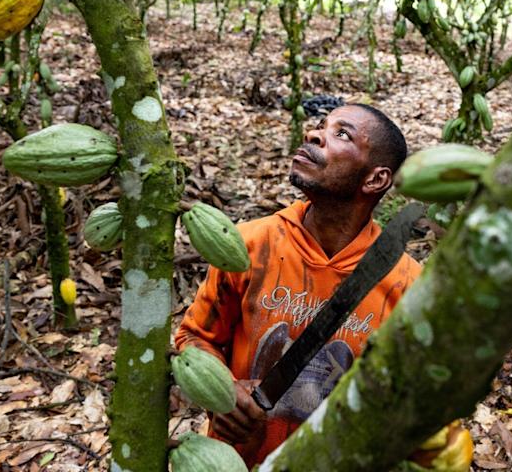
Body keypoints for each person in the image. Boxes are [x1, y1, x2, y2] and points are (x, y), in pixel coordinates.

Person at [175, 103, 421, 466]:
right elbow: (195, 337)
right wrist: (223, 393)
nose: (313, 134)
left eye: (341, 134)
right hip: (233, 461)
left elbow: (410, 400)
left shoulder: (406, 284)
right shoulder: (249, 246)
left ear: (375, 180)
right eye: (320, 125)